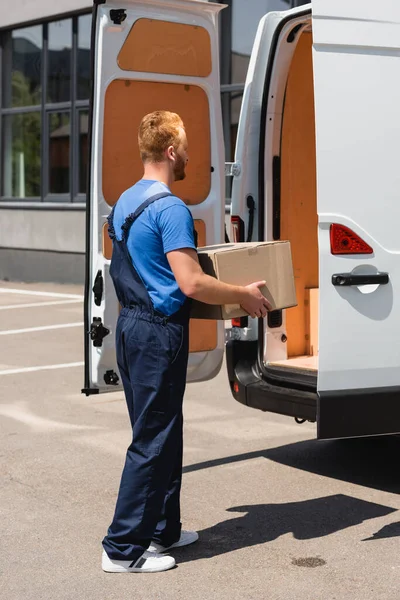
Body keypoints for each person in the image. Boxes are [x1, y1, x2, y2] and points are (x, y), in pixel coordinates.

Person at [101, 111, 271, 574]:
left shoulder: (124, 201)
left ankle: (162, 530)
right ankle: (122, 550)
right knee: (153, 440)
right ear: (171, 151)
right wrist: (243, 296)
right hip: (157, 333)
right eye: (187, 147)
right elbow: (191, 282)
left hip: (132, 328)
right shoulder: (171, 208)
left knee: (162, 430)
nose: (191, 157)